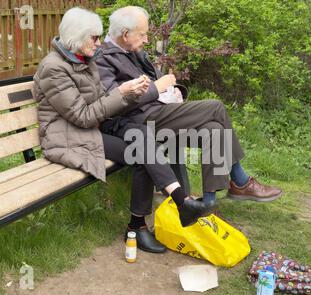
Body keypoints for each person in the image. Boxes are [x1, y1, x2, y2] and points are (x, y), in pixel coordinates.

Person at [33, 7, 215, 254]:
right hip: (67, 137)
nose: (99, 43)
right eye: (94, 38)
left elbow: (101, 99)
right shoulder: (53, 69)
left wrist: (130, 92)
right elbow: (83, 116)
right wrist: (122, 93)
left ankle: (159, 214)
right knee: (141, 150)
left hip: (93, 129)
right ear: (77, 37)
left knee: (141, 137)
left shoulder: (84, 60)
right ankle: (159, 215)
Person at [96, 6, 283, 208]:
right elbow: (113, 103)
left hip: (160, 112)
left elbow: (159, 82)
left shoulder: (134, 51)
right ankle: (240, 181)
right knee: (216, 107)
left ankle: (208, 206)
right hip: (139, 122)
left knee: (215, 130)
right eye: (143, 34)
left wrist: (174, 91)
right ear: (125, 34)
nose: (147, 39)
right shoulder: (103, 59)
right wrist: (157, 90)